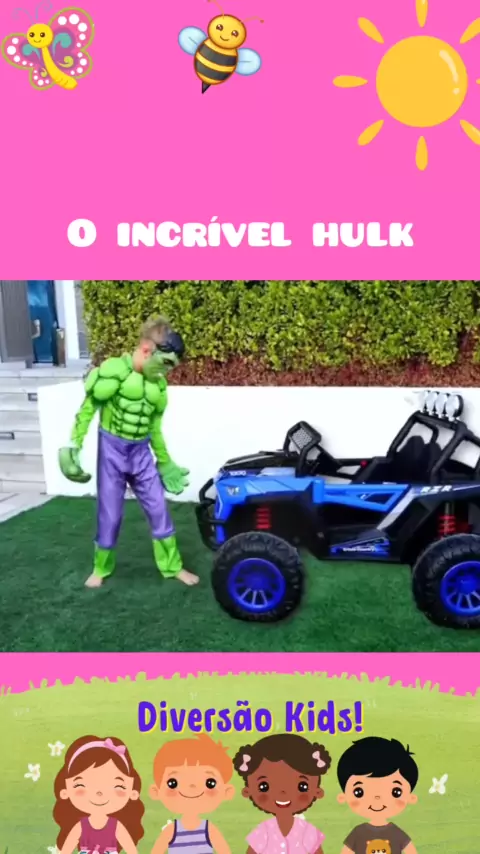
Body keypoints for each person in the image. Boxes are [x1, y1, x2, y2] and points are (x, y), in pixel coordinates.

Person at [58, 316, 199, 588]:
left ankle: (172, 567)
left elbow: (154, 428)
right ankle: (101, 568)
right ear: (147, 350)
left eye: (172, 366)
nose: (167, 371)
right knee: (110, 514)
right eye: (165, 363)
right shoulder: (114, 372)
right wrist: (73, 445)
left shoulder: (158, 387)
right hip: (112, 452)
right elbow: (87, 410)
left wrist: (165, 462)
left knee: (159, 508)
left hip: (141, 454)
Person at [234, 733, 331, 854]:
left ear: (317, 791)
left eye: (302, 786)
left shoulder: (307, 831)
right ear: (248, 791)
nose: (282, 793)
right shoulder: (264, 831)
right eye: (264, 786)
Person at [53, 735, 145, 854]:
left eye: (117, 786)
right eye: (81, 785)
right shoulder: (81, 826)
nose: (99, 793)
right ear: (65, 791)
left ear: (132, 792)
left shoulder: (116, 826)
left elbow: (131, 850)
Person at [149, 733, 235, 854]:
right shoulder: (171, 831)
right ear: (156, 792)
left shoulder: (209, 830)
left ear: (227, 792)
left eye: (210, 783)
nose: (192, 787)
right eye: (173, 783)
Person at [336, 737, 419, 854]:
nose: (377, 798)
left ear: (411, 797)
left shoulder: (396, 833)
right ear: (343, 797)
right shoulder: (358, 833)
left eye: (396, 792)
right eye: (359, 792)